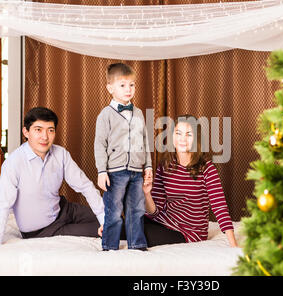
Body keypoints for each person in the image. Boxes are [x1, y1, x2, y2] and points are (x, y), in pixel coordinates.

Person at [0, 107, 105, 245]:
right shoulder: (13, 163)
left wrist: (105, 220)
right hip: (43, 230)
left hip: (64, 209)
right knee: (118, 230)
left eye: (50, 130)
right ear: (26, 132)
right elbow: (2, 206)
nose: (45, 137)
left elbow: (85, 186)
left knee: (115, 221)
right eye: (38, 130)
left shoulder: (60, 154)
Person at [142, 115, 238, 247]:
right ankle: (106, 230)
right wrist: (147, 194)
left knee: (137, 232)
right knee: (129, 223)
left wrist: (233, 244)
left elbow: (219, 206)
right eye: (178, 133)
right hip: (164, 221)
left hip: (189, 231)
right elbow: (155, 212)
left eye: (188, 134)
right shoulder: (165, 165)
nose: (182, 139)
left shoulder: (206, 168)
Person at [94, 63, 152, 251]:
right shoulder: (105, 115)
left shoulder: (139, 113)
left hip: (136, 171)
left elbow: (144, 141)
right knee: (114, 210)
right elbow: (100, 144)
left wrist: (148, 166)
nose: (129, 89)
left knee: (136, 208)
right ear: (110, 88)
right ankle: (110, 245)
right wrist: (102, 171)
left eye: (132, 85)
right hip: (115, 172)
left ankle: (137, 244)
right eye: (122, 85)